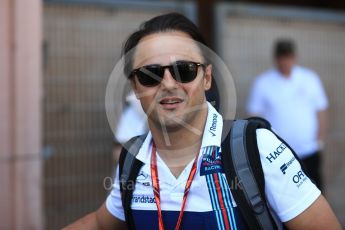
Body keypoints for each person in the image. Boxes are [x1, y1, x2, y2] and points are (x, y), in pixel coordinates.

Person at [65, 13, 340, 229]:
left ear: (207, 78)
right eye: (150, 75)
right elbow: (102, 223)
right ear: (136, 87)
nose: (169, 84)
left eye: (184, 71)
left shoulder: (258, 148)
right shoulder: (133, 159)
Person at [247, 39, 328, 190]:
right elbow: (254, 114)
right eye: (281, 58)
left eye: (288, 57)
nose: (285, 62)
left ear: (294, 57)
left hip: (309, 150)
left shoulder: (310, 78)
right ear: (276, 59)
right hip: (279, 155)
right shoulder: (263, 82)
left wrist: (319, 141)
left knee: (315, 190)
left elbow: (321, 110)